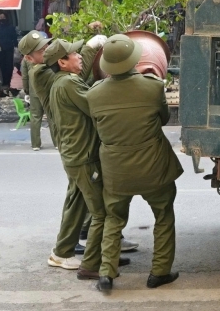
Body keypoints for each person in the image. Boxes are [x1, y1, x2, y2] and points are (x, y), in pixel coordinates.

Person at [86, 35, 183, 291]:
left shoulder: (94, 95)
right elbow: (163, 118)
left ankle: (106, 273)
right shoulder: (152, 87)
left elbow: (98, 128)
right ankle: (159, 272)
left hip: (116, 171)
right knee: (163, 216)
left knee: (113, 219)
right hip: (154, 168)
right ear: (134, 60)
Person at [44, 39, 130, 279]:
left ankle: (61, 253)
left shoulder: (61, 82)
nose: (80, 55)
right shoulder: (69, 82)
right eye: (74, 53)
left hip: (74, 155)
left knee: (76, 206)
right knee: (101, 212)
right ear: (62, 62)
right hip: (83, 157)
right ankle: (94, 264)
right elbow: (96, 106)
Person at [0, 12, 18, 95]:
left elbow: (14, 38)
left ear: (6, 18)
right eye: (0, 17)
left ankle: (8, 83)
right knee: (2, 67)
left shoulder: (11, 27)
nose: (2, 19)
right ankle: (3, 84)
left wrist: (16, 47)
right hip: (0, 50)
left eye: (3, 17)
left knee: (9, 66)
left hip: (9, 49)